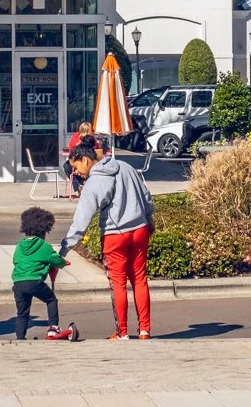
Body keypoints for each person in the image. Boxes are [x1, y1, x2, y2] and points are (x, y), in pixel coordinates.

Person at [60, 137, 154, 339]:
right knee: (139, 279)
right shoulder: (125, 167)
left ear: (85, 160)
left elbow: (81, 221)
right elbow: (146, 196)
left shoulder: (94, 183)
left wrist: (65, 248)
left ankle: (122, 333)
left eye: (76, 167)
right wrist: (149, 218)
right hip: (140, 230)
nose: (76, 173)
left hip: (114, 235)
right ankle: (145, 330)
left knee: (118, 284)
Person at [11, 205, 78, 341]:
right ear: (43, 231)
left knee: (22, 312)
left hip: (18, 283)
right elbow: (56, 260)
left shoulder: (19, 245)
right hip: (34, 281)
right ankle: (53, 327)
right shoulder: (44, 246)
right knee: (51, 299)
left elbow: (15, 261)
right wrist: (63, 263)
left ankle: (20, 337)